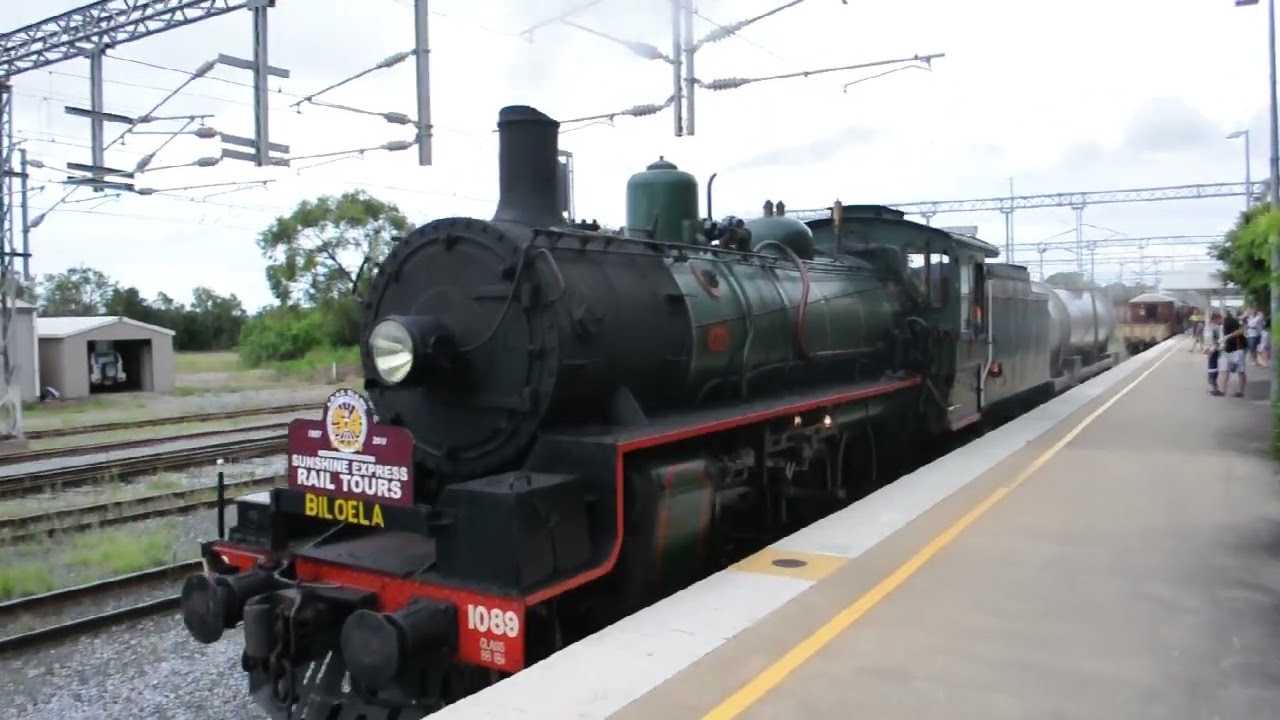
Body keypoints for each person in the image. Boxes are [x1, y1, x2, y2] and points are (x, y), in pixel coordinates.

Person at [1220, 311, 1247, 397]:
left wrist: (1229, 336)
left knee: (1240, 371)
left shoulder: (1230, 321)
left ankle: (1240, 392)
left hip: (1237, 350)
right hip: (1230, 350)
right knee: (1226, 370)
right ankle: (1223, 391)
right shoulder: (1226, 322)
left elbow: (1241, 330)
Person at [1206, 313, 1223, 396]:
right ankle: (1215, 389)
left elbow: (1214, 341)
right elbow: (1214, 341)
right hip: (1213, 351)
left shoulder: (1213, 328)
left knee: (1212, 370)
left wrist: (1211, 349)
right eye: (1220, 319)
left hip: (1213, 351)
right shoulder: (1214, 328)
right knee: (1213, 370)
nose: (1221, 320)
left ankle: (1215, 389)